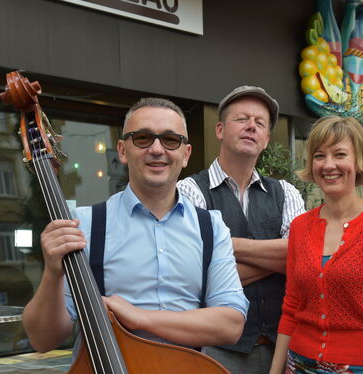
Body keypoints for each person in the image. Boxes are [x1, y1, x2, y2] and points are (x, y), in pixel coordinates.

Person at [22, 98, 249, 354]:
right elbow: (43, 340)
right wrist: (52, 274)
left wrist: (139, 317)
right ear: (122, 150)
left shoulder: (211, 226)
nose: (156, 149)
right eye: (142, 138)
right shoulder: (83, 224)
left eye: (170, 140)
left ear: (185, 155)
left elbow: (231, 325)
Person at [270, 116, 363, 374]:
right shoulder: (300, 227)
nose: (328, 165)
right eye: (319, 156)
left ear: (358, 160)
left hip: (360, 367)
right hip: (298, 363)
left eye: (339, 154)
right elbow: (291, 307)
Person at [177, 86, 305, 373]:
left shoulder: (286, 192)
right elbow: (192, 274)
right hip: (217, 350)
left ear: (267, 139)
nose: (251, 127)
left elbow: (303, 257)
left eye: (260, 123)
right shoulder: (188, 191)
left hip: (282, 349)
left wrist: (218, 245)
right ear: (220, 129)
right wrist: (279, 260)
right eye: (242, 119)